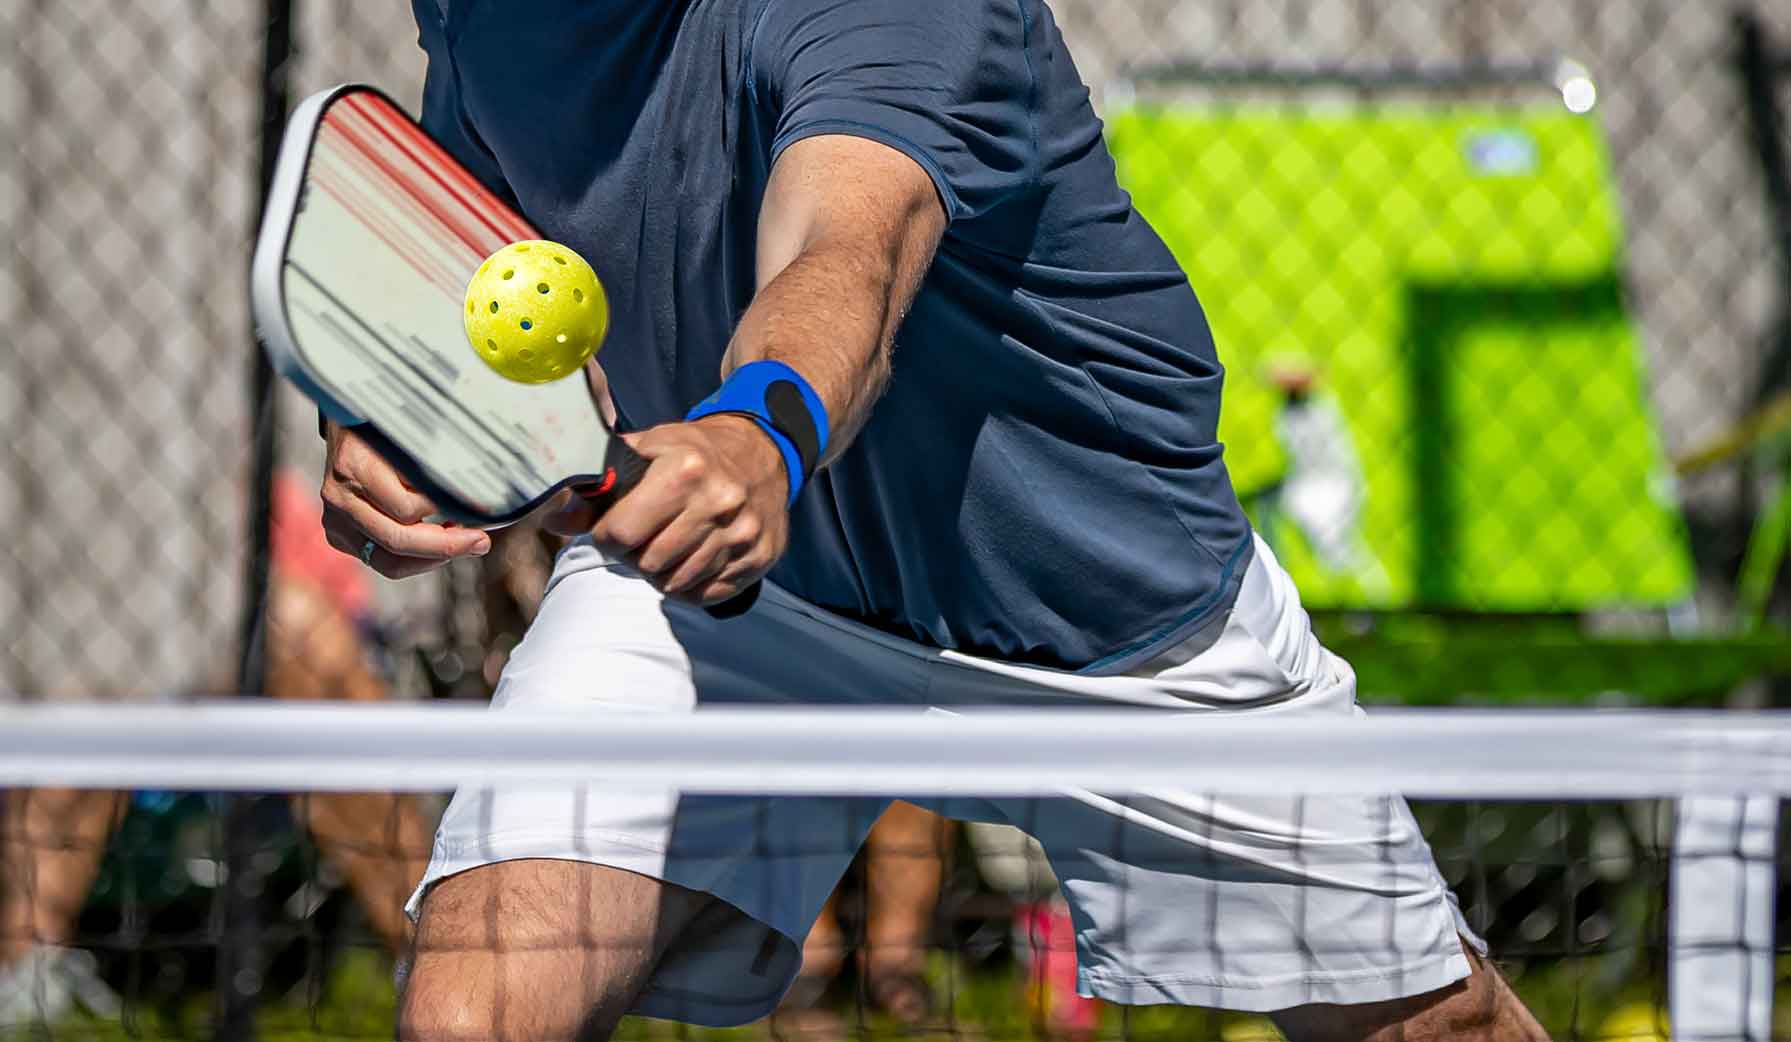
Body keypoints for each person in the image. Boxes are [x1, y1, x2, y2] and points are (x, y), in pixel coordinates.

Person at [323, 2, 1551, 1040]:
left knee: (1432, 1025)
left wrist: (757, 432)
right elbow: (475, 237)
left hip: (1099, 598)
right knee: (472, 1012)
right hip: (727, 593)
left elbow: (849, 242)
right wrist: (398, 418)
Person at [0, 472, 432, 1024]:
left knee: (299, 630)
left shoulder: (269, 489)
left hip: (272, 710)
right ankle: (26, 981)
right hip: (134, 701)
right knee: (88, 685)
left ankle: (426, 959)